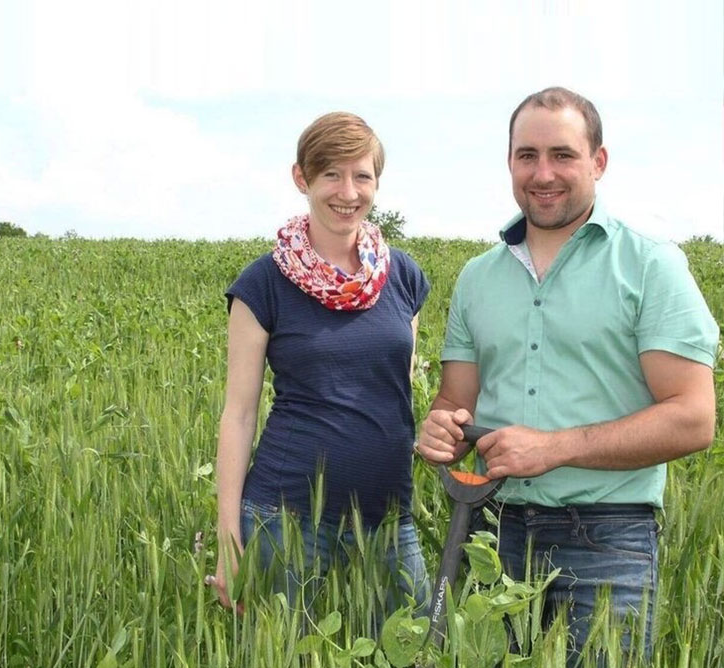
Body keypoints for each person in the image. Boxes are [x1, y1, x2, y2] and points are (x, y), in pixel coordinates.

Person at [416, 87, 719, 664]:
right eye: (527, 155)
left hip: (607, 537)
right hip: (491, 535)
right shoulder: (478, 279)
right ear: (509, 162)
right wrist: (438, 433)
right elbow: (455, 405)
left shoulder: (650, 264)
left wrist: (554, 449)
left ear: (598, 162)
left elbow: (693, 418)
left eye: (563, 154)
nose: (543, 172)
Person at [208, 112, 431, 619]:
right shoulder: (262, 284)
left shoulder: (404, 278)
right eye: (331, 173)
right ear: (301, 178)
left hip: (389, 516)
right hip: (285, 517)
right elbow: (238, 414)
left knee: (416, 647)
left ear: (377, 182)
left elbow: (398, 389)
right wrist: (227, 535)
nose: (347, 191)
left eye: (362, 176)